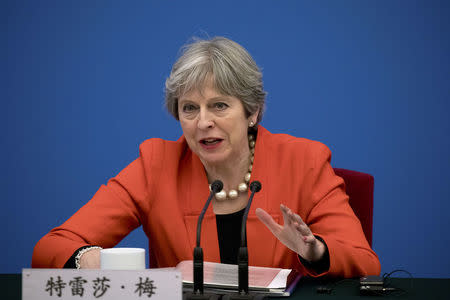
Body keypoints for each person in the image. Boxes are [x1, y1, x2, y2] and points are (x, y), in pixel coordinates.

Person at [32, 36, 380, 277]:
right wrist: (85, 259)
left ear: (253, 111)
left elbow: (365, 262)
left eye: (219, 105)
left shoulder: (304, 161)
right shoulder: (156, 165)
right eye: (189, 108)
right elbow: (52, 246)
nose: (203, 122)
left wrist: (313, 250)